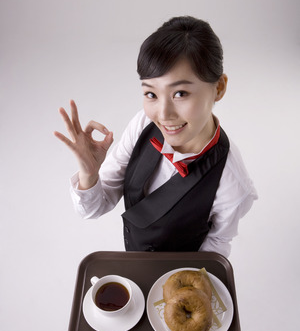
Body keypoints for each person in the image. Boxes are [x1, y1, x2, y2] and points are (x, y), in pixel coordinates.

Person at [54, 16, 257, 257]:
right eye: (151, 94)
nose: (163, 114)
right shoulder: (143, 124)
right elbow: (95, 207)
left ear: (219, 88)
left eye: (180, 93)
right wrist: (89, 173)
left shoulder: (233, 184)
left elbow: (216, 246)